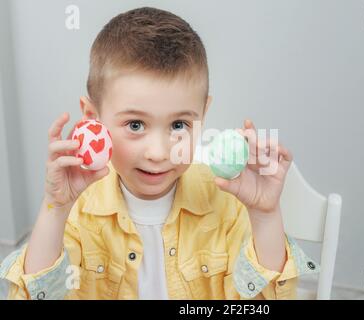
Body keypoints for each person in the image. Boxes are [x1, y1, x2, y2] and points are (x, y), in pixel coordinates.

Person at [0, 7, 319, 300]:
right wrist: (55, 210)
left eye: (178, 124)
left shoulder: (227, 205)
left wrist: (265, 217)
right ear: (92, 118)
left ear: (203, 113)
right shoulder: (78, 210)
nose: (158, 152)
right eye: (136, 124)